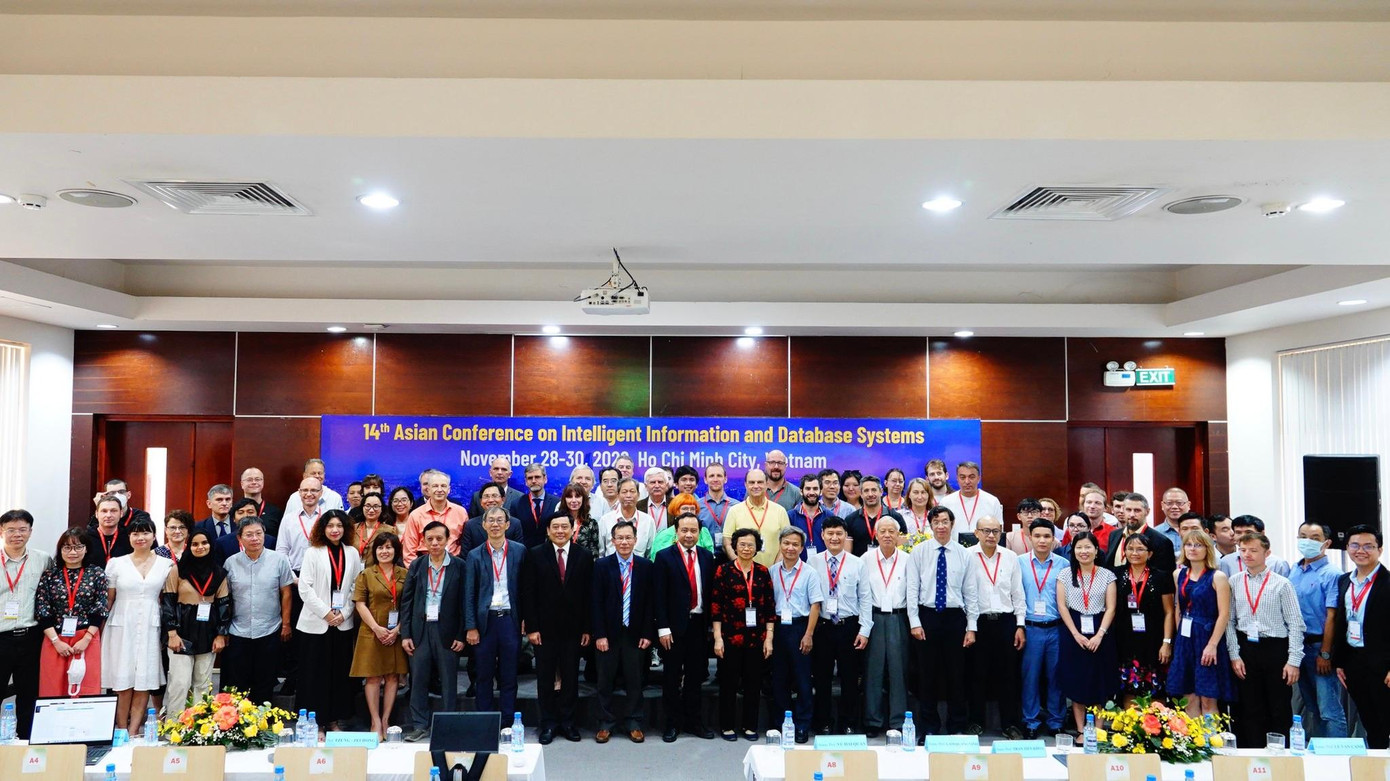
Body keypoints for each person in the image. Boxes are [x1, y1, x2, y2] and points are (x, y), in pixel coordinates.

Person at [1225, 531, 1304, 750]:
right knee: (1248, 707)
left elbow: (1296, 624)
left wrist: (1294, 661)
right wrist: (1234, 654)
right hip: (1245, 647)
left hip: (1275, 648)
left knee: (1278, 707)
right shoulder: (1234, 581)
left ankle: (1280, 756)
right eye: (1243, 550)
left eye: (1253, 550)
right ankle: (1250, 754)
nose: (1247, 555)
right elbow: (1229, 621)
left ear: (1267, 553)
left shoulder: (1282, 584)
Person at [522, 513, 594, 745]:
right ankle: (548, 723)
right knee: (545, 678)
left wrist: (587, 628)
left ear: (572, 530)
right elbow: (528, 594)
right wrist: (532, 627)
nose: (560, 531)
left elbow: (588, 596)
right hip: (544, 630)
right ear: (548, 530)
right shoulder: (535, 554)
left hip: (574, 629)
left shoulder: (584, 555)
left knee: (571, 677)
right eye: (555, 527)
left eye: (565, 526)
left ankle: (568, 723)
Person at [908, 506, 976, 736]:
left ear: (952, 524)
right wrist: (914, 621)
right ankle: (929, 728)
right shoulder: (919, 552)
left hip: (955, 618)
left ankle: (957, 726)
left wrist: (972, 627)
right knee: (926, 675)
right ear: (930, 525)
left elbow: (970, 592)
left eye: (945, 521)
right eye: (936, 522)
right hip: (927, 616)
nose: (941, 526)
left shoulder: (964, 554)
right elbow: (912, 589)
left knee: (957, 674)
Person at [102, 517, 174, 733]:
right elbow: (109, 600)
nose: (140, 537)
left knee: (144, 678)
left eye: (145, 533)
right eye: (135, 533)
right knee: (123, 679)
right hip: (122, 624)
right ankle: (121, 730)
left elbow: (169, 599)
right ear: (129, 537)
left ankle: (133, 731)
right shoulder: (116, 563)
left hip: (151, 623)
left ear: (154, 536)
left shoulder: (166, 564)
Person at [296, 509, 363, 734]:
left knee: (338, 675)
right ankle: (315, 724)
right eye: (330, 526)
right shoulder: (312, 552)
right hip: (315, 624)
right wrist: (326, 613)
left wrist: (344, 613)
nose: (335, 530)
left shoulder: (352, 553)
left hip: (342, 624)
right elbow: (305, 588)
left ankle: (333, 721)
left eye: (339, 526)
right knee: (314, 676)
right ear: (322, 529)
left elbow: (356, 587)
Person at [653, 510, 718, 742]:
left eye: (693, 531)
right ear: (676, 531)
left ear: (699, 533)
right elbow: (658, 596)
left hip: (699, 626)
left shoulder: (707, 557)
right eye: (684, 530)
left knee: (695, 677)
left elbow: (710, 594)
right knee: (671, 677)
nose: (689, 535)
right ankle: (672, 724)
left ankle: (694, 722)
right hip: (672, 628)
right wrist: (662, 628)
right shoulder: (664, 557)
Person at [400, 521, 466, 743]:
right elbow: (406, 601)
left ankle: (447, 726)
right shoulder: (417, 565)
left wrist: (461, 634)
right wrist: (406, 634)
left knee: (448, 681)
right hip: (420, 630)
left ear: (448, 540)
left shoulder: (459, 565)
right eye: (430, 539)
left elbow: (465, 603)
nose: (435, 543)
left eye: (439, 538)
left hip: (447, 631)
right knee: (418, 679)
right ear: (424, 541)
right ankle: (419, 725)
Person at [591, 521, 656, 744]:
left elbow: (650, 603)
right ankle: (605, 723)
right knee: (604, 680)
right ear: (613, 541)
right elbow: (595, 602)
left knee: (635, 680)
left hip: (635, 633)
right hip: (608, 634)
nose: (624, 542)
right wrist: (599, 634)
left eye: (628, 538)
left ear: (635, 540)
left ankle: (634, 722)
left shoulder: (646, 566)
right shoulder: (601, 565)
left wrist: (647, 633)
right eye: (620, 538)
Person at [964, 515, 1027, 739]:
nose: (991, 535)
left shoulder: (1010, 557)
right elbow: (966, 593)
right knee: (976, 674)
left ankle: (1010, 724)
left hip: (1006, 621)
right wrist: (970, 627)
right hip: (977, 622)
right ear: (976, 533)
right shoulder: (967, 556)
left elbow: (1018, 593)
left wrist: (1020, 625)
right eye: (986, 531)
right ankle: (976, 722)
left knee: (1008, 675)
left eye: (996, 531)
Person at [221, 516, 294, 706]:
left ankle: (262, 719)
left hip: (269, 629)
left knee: (265, 680)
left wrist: (286, 624)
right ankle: (237, 719)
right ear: (239, 538)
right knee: (238, 682)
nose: (255, 538)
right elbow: (225, 599)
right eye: (249, 535)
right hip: (238, 630)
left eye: (258, 533)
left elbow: (286, 593)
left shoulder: (279, 560)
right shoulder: (230, 563)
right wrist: (223, 629)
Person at [807, 516, 870, 735]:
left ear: (846, 536)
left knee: (849, 678)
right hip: (823, 626)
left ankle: (848, 722)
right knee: (822, 678)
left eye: (839, 533)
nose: (835, 538)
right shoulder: (813, 562)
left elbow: (865, 598)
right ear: (823, 536)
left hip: (849, 626)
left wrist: (864, 630)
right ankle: (823, 722)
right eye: (830, 533)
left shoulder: (857, 563)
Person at [711, 527, 775, 741]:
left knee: (753, 683)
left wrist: (769, 638)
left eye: (751, 545)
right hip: (729, 636)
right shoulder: (723, 570)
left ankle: (750, 726)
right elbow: (716, 606)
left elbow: (769, 607)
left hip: (757, 638)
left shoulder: (763, 572)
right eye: (742, 544)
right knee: (728, 683)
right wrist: (717, 638)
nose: (746, 548)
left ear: (757, 548)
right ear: (735, 547)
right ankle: (727, 726)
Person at [161, 529, 230, 717]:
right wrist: (172, 634)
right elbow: (168, 602)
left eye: (204, 543)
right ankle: (173, 726)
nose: (200, 547)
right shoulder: (178, 570)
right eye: (195, 544)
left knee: (202, 683)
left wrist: (221, 635)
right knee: (180, 683)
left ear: (211, 545)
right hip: (181, 632)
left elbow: (224, 605)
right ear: (189, 547)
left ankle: (199, 726)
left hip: (208, 632)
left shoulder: (219, 573)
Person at [1166, 529, 1236, 717]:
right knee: (1188, 697)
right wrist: (1178, 641)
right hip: (1185, 638)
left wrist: (1212, 645)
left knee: (1208, 699)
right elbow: (1178, 608)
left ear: (1207, 549)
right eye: (1188, 545)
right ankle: (1193, 735)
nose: (1192, 549)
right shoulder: (1178, 574)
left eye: (1198, 545)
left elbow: (1224, 614)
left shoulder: (1217, 576)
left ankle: (1210, 735)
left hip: (1207, 636)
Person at [466, 507, 527, 718]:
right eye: (491, 520)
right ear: (483, 525)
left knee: (509, 675)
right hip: (485, 622)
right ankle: (485, 721)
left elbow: (525, 589)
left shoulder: (519, 551)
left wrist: (526, 618)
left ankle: (508, 722)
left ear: (507, 525)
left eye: (500, 520)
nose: (495, 524)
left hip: (510, 619)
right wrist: (471, 626)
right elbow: (469, 594)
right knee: (484, 675)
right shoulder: (474, 555)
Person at [1333, 524, 1390, 749]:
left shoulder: (1387, 583)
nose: (1361, 551)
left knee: (1385, 719)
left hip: (1382, 664)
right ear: (1347, 547)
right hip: (1354, 662)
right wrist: (1339, 661)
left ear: (1379, 550)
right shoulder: (1344, 581)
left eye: (1368, 546)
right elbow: (1342, 622)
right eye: (1355, 545)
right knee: (1370, 722)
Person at [1056, 531, 1117, 733]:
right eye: (1079, 547)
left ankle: (1098, 730)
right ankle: (1081, 731)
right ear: (1073, 551)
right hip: (1073, 629)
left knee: (1099, 682)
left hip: (1101, 629)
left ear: (1096, 550)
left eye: (1088, 547)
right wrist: (1075, 634)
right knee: (1077, 682)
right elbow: (1062, 606)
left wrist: (1100, 634)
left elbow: (1111, 608)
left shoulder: (1107, 575)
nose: (1084, 551)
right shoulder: (1065, 574)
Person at [1290, 520, 1347, 738]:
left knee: (1329, 709)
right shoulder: (1293, 570)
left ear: (1327, 543)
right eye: (1303, 536)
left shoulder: (1332, 573)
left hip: (1320, 647)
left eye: (1315, 538)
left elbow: (1332, 616)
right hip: (1298, 648)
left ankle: (1338, 754)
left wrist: (1325, 653)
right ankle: (1320, 751)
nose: (1308, 542)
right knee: (1312, 706)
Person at [35, 528, 107, 700]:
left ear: (86, 549)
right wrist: (56, 641)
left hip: (86, 637)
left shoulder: (96, 573)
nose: (73, 552)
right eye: (67, 547)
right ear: (60, 550)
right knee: (52, 687)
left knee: (85, 688)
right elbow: (42, 610)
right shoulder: (50, 575)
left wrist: (86, 639)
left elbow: (100, 608)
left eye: (78, 547)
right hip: (55, 638)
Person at [768, 526, 824, 743]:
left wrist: (809, 634)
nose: (790, 548)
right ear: (780, 545)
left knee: (802, 679)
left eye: (795, 544)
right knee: (778, 679)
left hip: (801, 627)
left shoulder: (810, 573)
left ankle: (802, 725)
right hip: (777, 628)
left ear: (801, 548)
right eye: (786, 543)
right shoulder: (772, 572)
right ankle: (781, 723)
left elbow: (815, 605)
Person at [0, 509, 53, 737]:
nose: (17, 535)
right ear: (1, 531)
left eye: (22, 529)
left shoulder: (43, 559)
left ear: (30, 532)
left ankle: (25, 741)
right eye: (11, 530)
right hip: (1, 636)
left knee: (29, 693)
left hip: (31, 637)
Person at [351, 531, 408, 740]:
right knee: (373, 677)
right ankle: (375, 721)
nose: (385, 551)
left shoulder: (405, 574)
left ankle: (386, 720)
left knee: (393, 676)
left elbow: (409, 605)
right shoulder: (366, 574)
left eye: (389, 547)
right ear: (375, 551)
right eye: (381, 548)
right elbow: (360, 604)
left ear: (396, 550)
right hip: (371, 631)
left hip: (396, 632)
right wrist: (376, 628)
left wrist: (398, 629)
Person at [859, 516, 910, 737]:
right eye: (883, 531)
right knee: (873, 671)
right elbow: (862, 595)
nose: (887, 535)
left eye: (892, 531)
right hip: (874, 617)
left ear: (899, 535)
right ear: (876, 535)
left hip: (899, 617)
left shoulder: (908, 559)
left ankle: (898, 721)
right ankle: (872, 721)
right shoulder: (865, 559)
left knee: (899, 671)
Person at [1019, 519, 1068, 739]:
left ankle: (1056, 721)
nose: (1042, 540)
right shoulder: (1018, 562)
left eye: (1047, 536)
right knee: (1030, 677)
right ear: (1029, 537)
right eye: (1037, 536)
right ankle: (1030, 721)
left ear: (1053, 539)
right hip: (1031, 629)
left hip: (1056, 628)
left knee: (1056, 677)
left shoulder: (1063, 565)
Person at [1113, 533, 1175, 704]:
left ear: (1150, 553)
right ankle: (1130, 721)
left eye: (1140, 549)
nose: (1135, 553)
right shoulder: (1116, 575)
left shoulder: (1161, 577)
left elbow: (1169, 612)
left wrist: (1166, 642)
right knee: (1128, 688)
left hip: (1153, 641)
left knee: (1156, 690)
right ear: (1124, 552)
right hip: (1125, 641)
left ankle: (1154, 721)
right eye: (1130, 548)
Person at [401, 470, 469, 564]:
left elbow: (466, 544)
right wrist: (417, 571)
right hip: (424, 564)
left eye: (443, 486)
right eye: (435, 486)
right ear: (428, 490)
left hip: (454, 564)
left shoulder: (461, 512)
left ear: (449, 490)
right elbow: (409, 552)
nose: (439, 490)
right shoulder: (416, 515)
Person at [1105, 493, 1177, 574]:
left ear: (1147, 512)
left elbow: (1165, 576)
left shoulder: (1161, 542)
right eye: (1128, 510)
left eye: (1137, 510)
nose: (1132, 515)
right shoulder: (1114, 535)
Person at [843, 476, 905, 557]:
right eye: (866, 491)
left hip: (888, 564)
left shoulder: (896, 517)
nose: (870, 494)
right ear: (861, 494)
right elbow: (847, 555)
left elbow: (902, 551)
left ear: (881, 491)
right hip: (860, 564)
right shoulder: (850, 520)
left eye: (874, 490)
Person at [936, 461, 1004, 536]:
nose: (967, 481)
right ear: (957, 478)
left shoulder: (992, 501)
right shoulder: (946, 502)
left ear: (978, 478)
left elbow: (999, 530)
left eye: (971, 477)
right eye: (962, 477)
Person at [459, 482, 525, 553]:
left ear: (503, 499)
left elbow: (519, 552)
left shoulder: (515, 523)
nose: (490, 500)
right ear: (481, 501)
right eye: (486, 496)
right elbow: (466, 554)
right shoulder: (471, 525)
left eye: (494, 496)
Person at [598, 478, 656, 559]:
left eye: (632, 491)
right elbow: (601, 552)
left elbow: (650, 554)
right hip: (611, 566)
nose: (628, 495)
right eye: (624, 492)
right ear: (618, 495)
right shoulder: (605, 520)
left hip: (639, 566)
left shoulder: (648, 521)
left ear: (638, 495)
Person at [1219, 515, 1292, 578]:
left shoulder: (1277, 563)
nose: (1243, 536)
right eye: (1238, 532)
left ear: (1262, 534)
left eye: (1249, 532)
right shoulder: (1226, 561)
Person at [509, 463, 560, 548]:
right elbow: (514, 533)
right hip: (525, 552)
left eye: (537, 477)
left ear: (545, 479)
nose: (533, 481)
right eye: (530, 478)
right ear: (526, 482)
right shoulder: (516, 504)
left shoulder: (557, 503)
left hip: (550, 551)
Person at [87, 478, 153, 534]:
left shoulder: (141, 516)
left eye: (121, 492)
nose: (117, 496)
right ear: (105, 496)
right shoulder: (103, 516)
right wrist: (99, 507)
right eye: (112, 493)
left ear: (128, 495)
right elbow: (92, 533)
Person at [85, 493, 133, 568]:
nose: (108, 515)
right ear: (96, 514)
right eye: (104, 511)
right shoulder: (85, 538)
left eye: (113, 511)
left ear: (121, 513)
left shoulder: (130, 537)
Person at [786, 474, 828, 558]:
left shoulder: (829, 516)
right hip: (798, 563)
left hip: (823, 563)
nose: (811, 492)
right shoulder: (790, 516)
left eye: (815, 489)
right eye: (808, 489)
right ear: (801, 491)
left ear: (820, 491)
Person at [557, 482, 601, 559]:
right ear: (564, 499)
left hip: (584, 564)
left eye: (577, 496)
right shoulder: (556, 522)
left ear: (583, 499)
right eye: (569, 497)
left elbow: (594, 553)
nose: (574, 500)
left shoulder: (591, 523)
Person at [698, 463, 735, 551]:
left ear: (725, 479)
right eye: (711, 476)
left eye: (719, 476)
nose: (715, 479)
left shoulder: (736, 506)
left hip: (731, 554)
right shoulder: (697, 506)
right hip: (705, 554)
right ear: (705, 480)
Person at [239, 467, 284, 537]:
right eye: (249, 480)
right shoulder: (236, 510)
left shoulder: (275, 512)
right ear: (242, 484)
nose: (254, 482)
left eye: (257, 479)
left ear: (263, 482)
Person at [352, 492, 394, 561]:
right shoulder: (353, 529)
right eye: (367, 506)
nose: (371, 510)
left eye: (376, 506)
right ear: (362, 507)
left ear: (382, 509)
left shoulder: (390, 530)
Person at [637, 467, 674, 536]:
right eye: (653, 482)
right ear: (646, 486)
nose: (657, 486)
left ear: (666, 485)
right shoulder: (638, 506)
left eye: (660, 482)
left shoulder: (674, 504)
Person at [1155, 487, 1191, 553]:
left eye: (1179, 503)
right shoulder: (1155, 533)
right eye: (1169, 503)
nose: (1174, 507)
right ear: (1162, 505)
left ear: (1188, 505)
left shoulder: (1200, 531)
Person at [1080, 489, 1116, 554]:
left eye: (1097, 503)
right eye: (1089, 502)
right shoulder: (1072, 530)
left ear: (1105, 508)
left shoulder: (1113, 532)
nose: (1092, 506)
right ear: (1083, 506)